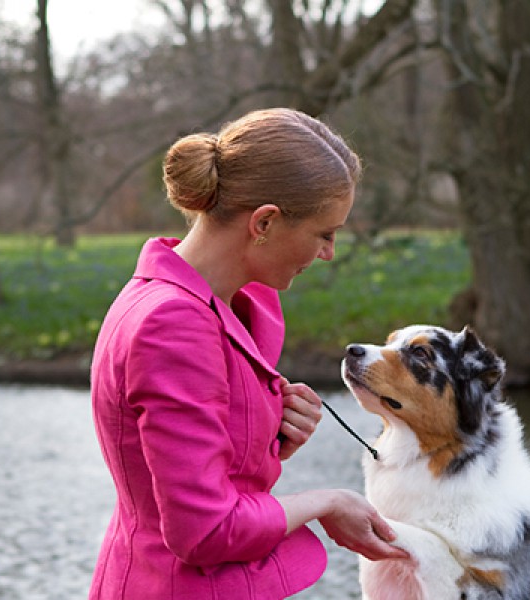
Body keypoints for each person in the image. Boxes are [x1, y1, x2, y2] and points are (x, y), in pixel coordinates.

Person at [89, 107, 407, 599]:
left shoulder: (189, 301)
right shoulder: (173, 323)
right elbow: (206, 528)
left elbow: (187, 471)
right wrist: (330, 502)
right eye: (325, 233)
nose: (329, 253)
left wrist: (269, 434)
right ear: (264, 222)